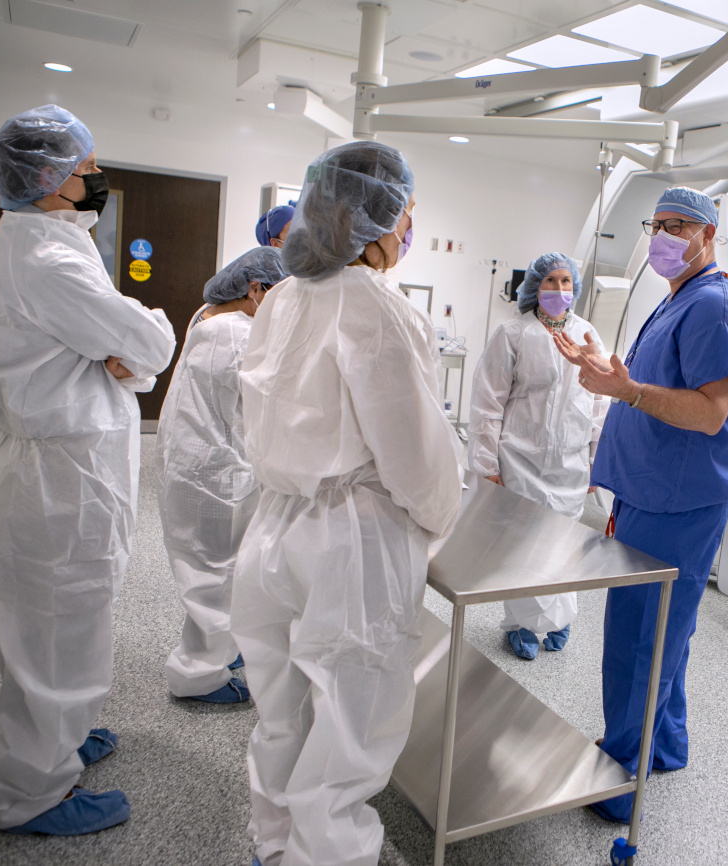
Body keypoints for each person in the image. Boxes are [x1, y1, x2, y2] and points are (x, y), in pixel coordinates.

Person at [231, 142, 462, 866]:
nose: (408, 232)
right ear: (373, 219)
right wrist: (438, 517)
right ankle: (329, 854)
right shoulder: (379, 310)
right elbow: (413, 455)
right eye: (407, 216)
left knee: (281, 707)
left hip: (274, 524)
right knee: (349, 718)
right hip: (350, 541)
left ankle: (276, 842)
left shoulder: (283, 298)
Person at [0, 105, 176, 835]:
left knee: (74, 618)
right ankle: (33, 793)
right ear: (50, 179)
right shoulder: (45, 260)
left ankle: (67, 738)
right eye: (87, 171)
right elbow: (146, 338)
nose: (96, 181)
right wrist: (134, 345)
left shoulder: (48, 242)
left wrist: (122, 356)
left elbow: (121, 354)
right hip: (56, 477)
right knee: (51, 631)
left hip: (66, 464)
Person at [554, 186, 728, 824]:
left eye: (678, 227)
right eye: (657, 224)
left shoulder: (714, 308)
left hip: (677, 501)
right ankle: (664, 745)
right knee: (667, 631)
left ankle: (619, 779)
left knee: (642, 640)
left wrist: (631, 391)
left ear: (708, 236)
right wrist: (610, 375)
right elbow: (650, 386)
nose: (663, 236)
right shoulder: (679, 300)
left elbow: (709, 411)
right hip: (654, 491)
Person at [155, 246, 289, 704]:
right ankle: (199, 675)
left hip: (193, 461)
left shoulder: (207, 316)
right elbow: (268, 404)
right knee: (216, 575)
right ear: (256, 290)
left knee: (212, 569)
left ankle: (219, 652)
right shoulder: (239, 333)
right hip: (215, 475)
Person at [468, 252, 606, 660]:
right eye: (550, 282)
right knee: (524, 548)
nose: (559, 290)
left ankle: (560, 618)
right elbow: (486, 403)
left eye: (566, 282)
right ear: (534, 287)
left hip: (570, 464)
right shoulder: (513, 333)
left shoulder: (587, 334)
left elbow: (599, 403)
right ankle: (523, 624)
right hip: (520, 459)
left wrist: (601, 460)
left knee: (563, 548)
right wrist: (486, 465)